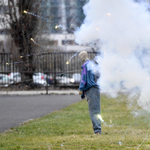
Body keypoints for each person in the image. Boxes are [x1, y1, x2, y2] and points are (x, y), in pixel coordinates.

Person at [78, 51, 101, 135]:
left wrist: (81, 89)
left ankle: (97, 131)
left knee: (93, 110)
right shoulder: (92, 64)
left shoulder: (85, 65)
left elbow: (83, 79)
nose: (80, 58)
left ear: (83, 56)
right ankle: (98, 129)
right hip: (96, 89)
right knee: (96, 110)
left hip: (91, 89)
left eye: (80, 56)